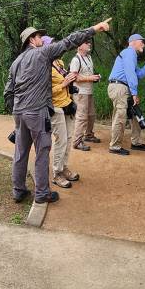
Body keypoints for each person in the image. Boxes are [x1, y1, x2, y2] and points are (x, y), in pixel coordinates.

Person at [4, 18, 111, 204]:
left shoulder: (16, 62)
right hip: (37, 112)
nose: (42, 39)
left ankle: (18, 190)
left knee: (20, 153)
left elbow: (8, 92)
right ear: (32, 40)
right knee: (42, 152)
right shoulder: (42, 53)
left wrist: (16, 112)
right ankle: (42, 193)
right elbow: (69, 41)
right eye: (39, 36)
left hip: (19, 112)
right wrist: (94, 28)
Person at [107, 34, 145, 155]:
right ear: (133, 42)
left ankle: (136, 142)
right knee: (120, 117)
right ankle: (115, 146)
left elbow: (138, 74)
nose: (144, 44)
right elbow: (130, 74)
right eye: (142, 42)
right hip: (119, 87)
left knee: (135, 115)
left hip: (123, 87)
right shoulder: (129, 53)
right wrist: (134, 93)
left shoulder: (131, 55)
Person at [47, 37, 81, 189]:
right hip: (56, 108)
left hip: (67, 104)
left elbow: (65, 82)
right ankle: (56, 173)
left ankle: (64, 168)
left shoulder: (59, 63)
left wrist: (70, 81)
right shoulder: (44, 67)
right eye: (52, 44)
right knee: (61, 140)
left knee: (67, 138)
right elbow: (45, 92)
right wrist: (63, 84)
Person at [69, 40, 102, 151]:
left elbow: (87, 73)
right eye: (86, 43)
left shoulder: (88, 58)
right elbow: (74, 77)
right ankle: (77, 142)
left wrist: (95, 76)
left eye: (89, 42)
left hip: (89, 91)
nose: (89, 44)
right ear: (79, 46)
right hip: (80, 93)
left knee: (91, 115)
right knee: (82, 117)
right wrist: (90, 78)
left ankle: (88, 135)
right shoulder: (75, 59)